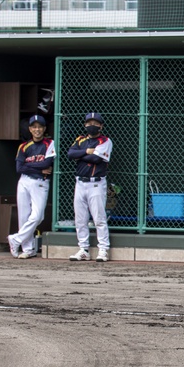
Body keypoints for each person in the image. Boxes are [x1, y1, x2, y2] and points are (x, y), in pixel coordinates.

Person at [67, 112, 113, 262]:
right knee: (80, 219)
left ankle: (103, 249)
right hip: (80, 183)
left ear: (101, 126)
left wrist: (80, 156)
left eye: (95, 123)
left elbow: (96, 159)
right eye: (89, 123)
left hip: (96, 183)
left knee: (99, 218)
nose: (92, 125)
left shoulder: (105, 141)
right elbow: (70, 153)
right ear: (85, 124)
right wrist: (86, 151)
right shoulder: (80, 140)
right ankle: (83, 249)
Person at [8, 115, 55, 259]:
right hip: (24, 181)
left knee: (37, 216)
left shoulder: (49, 143)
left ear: (44, 128)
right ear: (30, 129)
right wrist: (39, 168)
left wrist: (33, 167)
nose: (37, 130)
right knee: (24, 216)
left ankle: (16, 239)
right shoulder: (24, 146)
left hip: (40, 182)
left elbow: (46, 163)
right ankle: (28, 249)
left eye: (40, 127)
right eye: (34, 127)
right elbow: (19, 168)